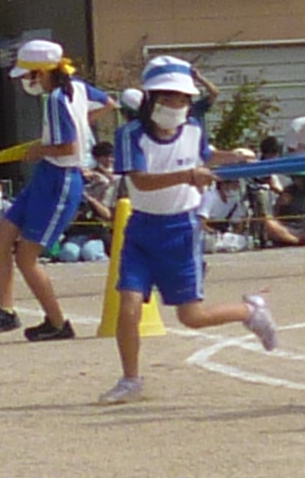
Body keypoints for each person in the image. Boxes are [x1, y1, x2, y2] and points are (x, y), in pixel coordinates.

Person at [98, 56, 276, 404]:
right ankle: (131, 379)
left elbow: (203, 155)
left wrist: (233, 158)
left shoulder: (194, 127)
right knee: (129, 304)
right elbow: (142, 181)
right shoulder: (129, 135)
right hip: (142, 229)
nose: (176, 104)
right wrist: (188, 175)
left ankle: (250, 312)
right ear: (150, 99)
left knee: (191, 317)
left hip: (181, 229)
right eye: (167, 97)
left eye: (182, 98)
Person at [0, 39, 114, 340]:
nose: (27, 82)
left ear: (41, 72)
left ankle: (57, 322)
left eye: (29, 75)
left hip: (61, 178)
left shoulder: (55, 98)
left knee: (26, 256)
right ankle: (6, 311)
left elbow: (68, 146)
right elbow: (109, 103)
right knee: (1, 237)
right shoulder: (77, 88)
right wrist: (82, 122)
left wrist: (40, 149)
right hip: (47, 174)